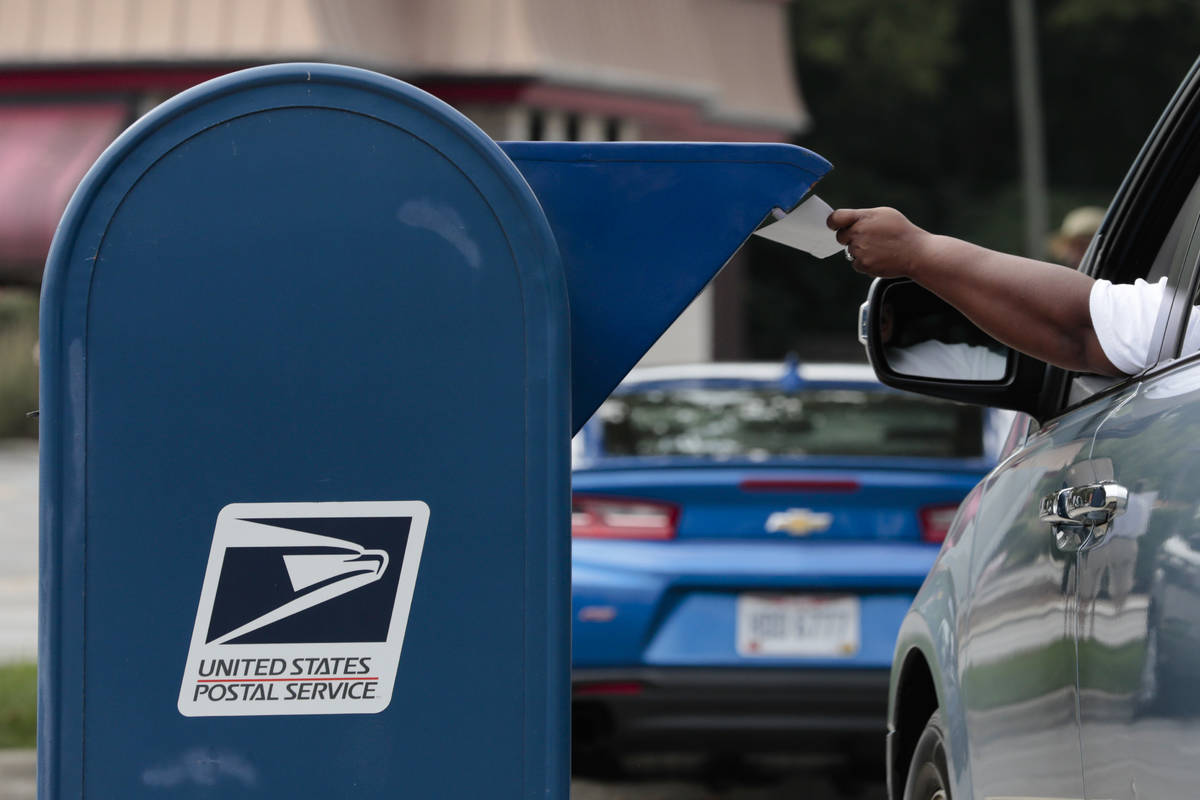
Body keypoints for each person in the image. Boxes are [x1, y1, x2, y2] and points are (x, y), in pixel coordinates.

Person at [826, 207, 1200, 377]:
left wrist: (916, 252)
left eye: (1084, 243)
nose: (1077, 253)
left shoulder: (1172, 321)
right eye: (1072, 244)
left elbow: (1083, 328)